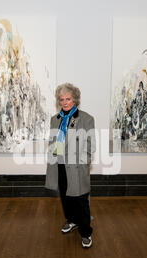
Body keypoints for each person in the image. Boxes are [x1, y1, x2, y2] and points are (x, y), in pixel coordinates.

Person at [45, 83, 96, 248]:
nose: (65, 102)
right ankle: (72, 220)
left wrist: (83, 164)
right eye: (62, 99)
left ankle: (86, 232)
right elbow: (54, 143)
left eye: (68, 99)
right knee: (65, 197)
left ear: (75, 100)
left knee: (80, 200)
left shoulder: (86, 119)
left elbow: (90, 145)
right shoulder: (55, 119)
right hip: (59, 164)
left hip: (76, 167)